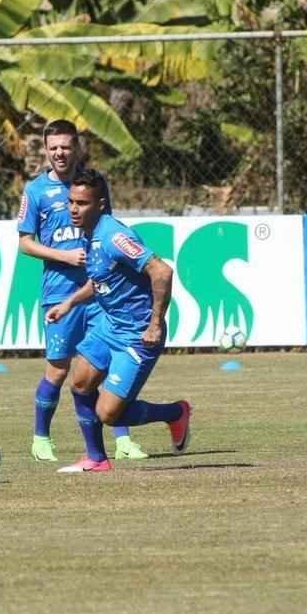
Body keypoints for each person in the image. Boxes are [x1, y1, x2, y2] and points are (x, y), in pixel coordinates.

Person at [45, 170, 191, 473]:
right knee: (80, 382)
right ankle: (96, 458)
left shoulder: (114, 236)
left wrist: (154, 324)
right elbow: (100, 281)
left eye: (82, 203)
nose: (73, 209)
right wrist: (69, 303)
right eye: (71, 202)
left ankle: (175, 413)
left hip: (137, 335)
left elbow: (161, 271)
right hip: (109, 326)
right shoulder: (88, 233)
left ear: (100, 204)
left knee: (109, 414)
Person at [18, 121, 148, 462]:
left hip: (101, 291)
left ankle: (121, 441)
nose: (60, 153)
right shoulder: (35, 192)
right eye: (54, 147)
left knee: (104, 366)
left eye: (66, 146)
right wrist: (63, 255)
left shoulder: (94, 183)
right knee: (59, 370)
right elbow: (25, 244)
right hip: (59, 292)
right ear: (46, 149)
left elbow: (108, 229)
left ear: (77, 147)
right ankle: (41, 438)